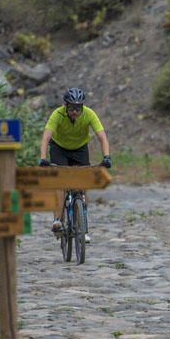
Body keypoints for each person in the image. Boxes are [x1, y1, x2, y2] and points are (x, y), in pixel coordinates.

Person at [38, 86, 111, 244]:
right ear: (65, 106)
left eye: (78, 108)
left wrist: (106, 157)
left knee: (82, 185)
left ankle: (83, 227)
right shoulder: (57, 115)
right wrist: (43, 158)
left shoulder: (89, 114)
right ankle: (57, 219)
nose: (75, 112)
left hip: (79, 149)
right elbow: (45, 138)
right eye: (72, 108)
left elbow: (102, 137)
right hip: (59, 148)